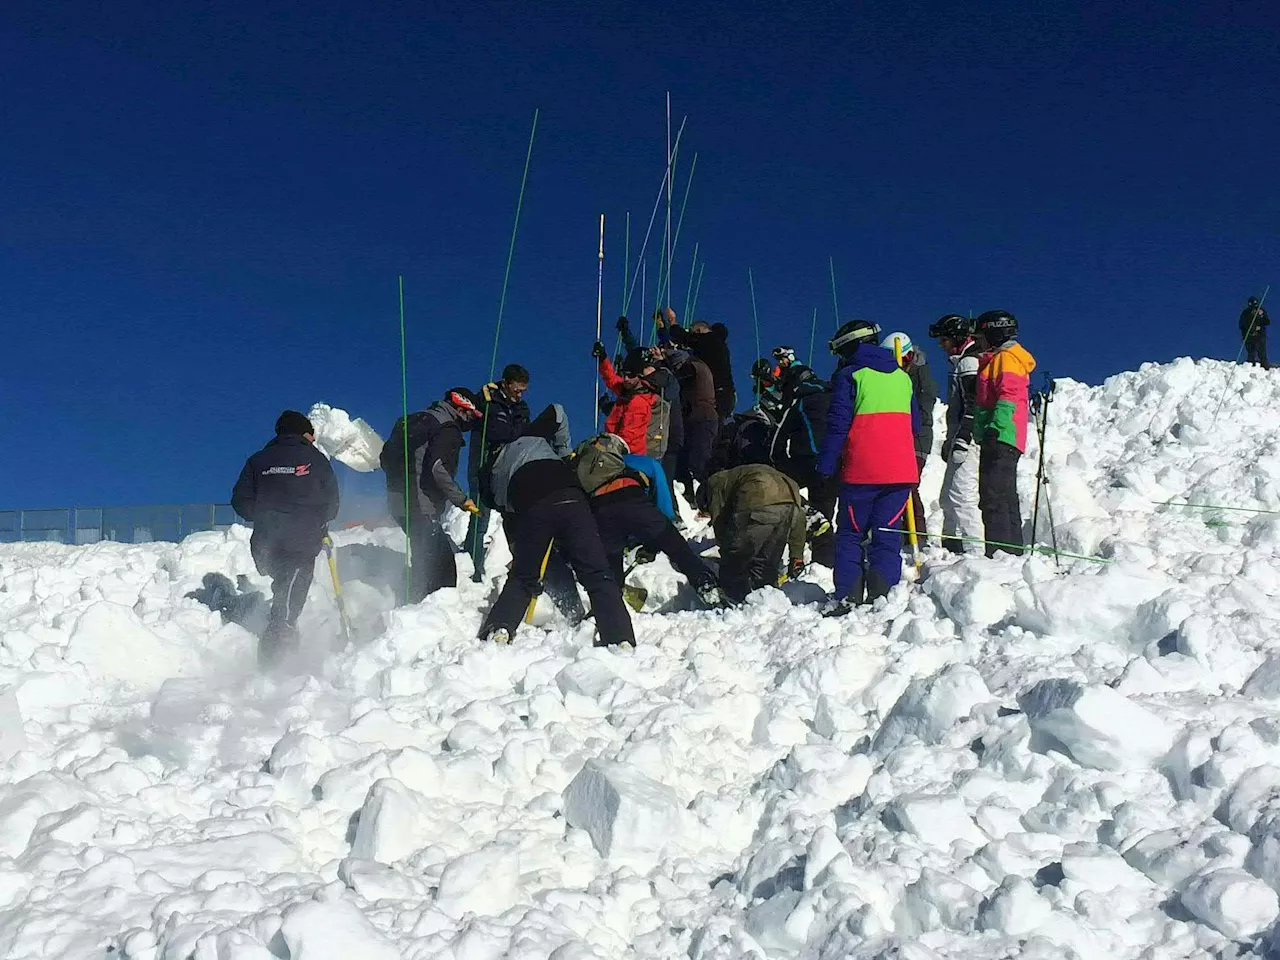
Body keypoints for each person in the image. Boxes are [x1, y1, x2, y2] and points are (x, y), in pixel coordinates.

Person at [479, 407, 635, 648]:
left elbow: (503, 505)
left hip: (533, 505)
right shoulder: (535, 440)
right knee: (597, 574)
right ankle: (620, 638)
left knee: (523, 576)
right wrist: (564, 455)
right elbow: (559, 411)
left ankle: (500, 628)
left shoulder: (493, 469)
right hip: (572, 496)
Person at [817, 320, 921, 608]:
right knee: (886, 531)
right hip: (901, 471)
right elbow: (916, 424)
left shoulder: (850, 376)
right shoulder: (903, 377)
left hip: (862, 470)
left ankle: (848, 594)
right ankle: (883, 593)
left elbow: (838, 425)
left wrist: (825, 466)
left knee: (851, 532)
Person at [231, 410, 340, 663]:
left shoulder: (257, 460)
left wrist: (265, 514)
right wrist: (318, 520)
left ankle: (282, 625)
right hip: (302, 536)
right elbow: (332, 501)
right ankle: (279, 643)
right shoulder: (316, 459)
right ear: (304, 433)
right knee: (293, 584)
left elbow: (239, 500)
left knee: (283, 580)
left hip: (265, 540)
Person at [573, 433, 724, 606]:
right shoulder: (639, 461)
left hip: (600, 511)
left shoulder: (590, 471)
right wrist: (660, 535)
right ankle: (706, 585)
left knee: (612, 564)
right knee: (676, 547)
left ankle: (610, 605)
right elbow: (661, 499)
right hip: (633, 501)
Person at [381, 388, 483, 602]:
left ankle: (414, 608)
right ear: (462, 408)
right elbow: (437, 468)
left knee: (424, 556)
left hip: (398, 503)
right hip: (421, 504)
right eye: (471, 416)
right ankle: (435, 614)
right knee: (442, 565)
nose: (470, 422)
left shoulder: (411, 421)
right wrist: (461, 499)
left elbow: (385, 458)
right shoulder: (447, 428)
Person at [972, 310, 1037, 558]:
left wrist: (994, 428)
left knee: (993, 495)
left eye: (982, 335)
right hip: (1006, 435)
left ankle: (999, 553)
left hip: (1000, 434)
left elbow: (1009, 395)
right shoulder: (1000, 358)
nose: (979, 340)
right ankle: (1012, 554)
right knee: (1005, 495)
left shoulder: (1006, 359)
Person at [466, 365, 531, 581]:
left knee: (516, 518)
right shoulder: (487, 401)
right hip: (482, 467)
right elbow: (492, 430)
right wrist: (482, 401)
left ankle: (520, 567)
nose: (519, 395)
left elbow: (524, 435)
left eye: (523, 391)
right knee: (480, 518)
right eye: (516, 390)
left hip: (508, 468)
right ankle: (471, 567)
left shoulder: (522, 409)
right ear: (505, 383)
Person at [706, 463, 806, 602]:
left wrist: (727, 548)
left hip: (758, 498)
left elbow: (719, 519)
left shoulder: (714, 482)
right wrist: (797, 555)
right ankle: (766, 600)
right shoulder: (745, 474)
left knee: (736, 558)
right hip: (790, 502)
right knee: (766, 564)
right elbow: (799, 518)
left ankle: (733, 599)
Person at [928, 314, 983, 554]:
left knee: (962, 495)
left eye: (944, 340)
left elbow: (974, 404)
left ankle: (975, 550)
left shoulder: (970, 363)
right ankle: (951, 545)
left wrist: (963, 438)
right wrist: (951, 439)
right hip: (959, 438)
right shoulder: (961, 362)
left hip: (969, 441)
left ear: (958, 338)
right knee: (947, 497)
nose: (942, 345)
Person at [880, 332, 938, 549]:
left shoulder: (920, 375)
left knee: (908, 484)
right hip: (898, 436)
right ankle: (902, 534)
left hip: (917, 439)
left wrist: (909, 425)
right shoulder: (897, 376)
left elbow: (924, 407)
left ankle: (917, 536)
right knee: (895, 484)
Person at [592, 340, 670, 457]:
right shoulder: (628, 389)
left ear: (641, 376)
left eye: (631, 375)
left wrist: (611, 450)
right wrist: (603, 358)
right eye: (624, 374)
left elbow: (630, 435)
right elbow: (611, 379)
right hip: (616, 447)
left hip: (627, 455)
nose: (626, 379)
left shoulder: (639, 402)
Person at [657, 308, 736, 419]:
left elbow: (682, 337)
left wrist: (672, 320)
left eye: (692, 332)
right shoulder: (718, 347)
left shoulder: (708, 340)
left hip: (715, 396)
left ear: (698, 331)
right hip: (726, 396)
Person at [1240, 296, 1270, 369]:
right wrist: (1247, 333)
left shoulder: (1260, 311)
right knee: (1251, 353)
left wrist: (1261, 315)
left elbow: (1267, 322)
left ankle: (1265, 368)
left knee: (1261, 352)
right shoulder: (1246, 312)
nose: (1254, 307)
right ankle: (1251, 367)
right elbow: (1242, 325)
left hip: (1260, 335)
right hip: (1249, 335)